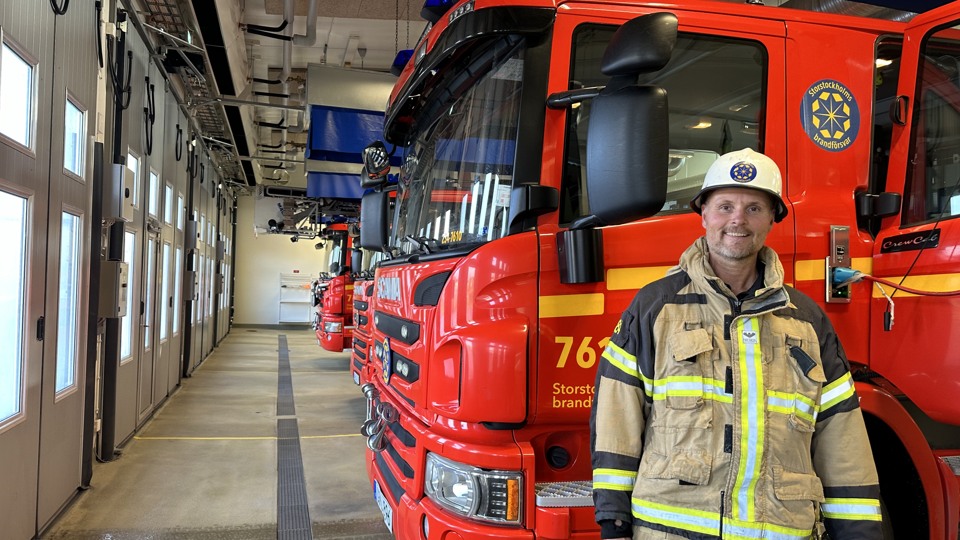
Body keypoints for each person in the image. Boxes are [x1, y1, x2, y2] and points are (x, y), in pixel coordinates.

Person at [590, 148, 882, 539]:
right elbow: (617, 417)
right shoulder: (655, 307)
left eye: (754, 208)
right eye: (725, 206)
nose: (737, 221)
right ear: (704, 214)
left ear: (772, 220)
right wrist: (614, 522)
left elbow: (842, 437)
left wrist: (861, 532)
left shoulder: (807, 320)